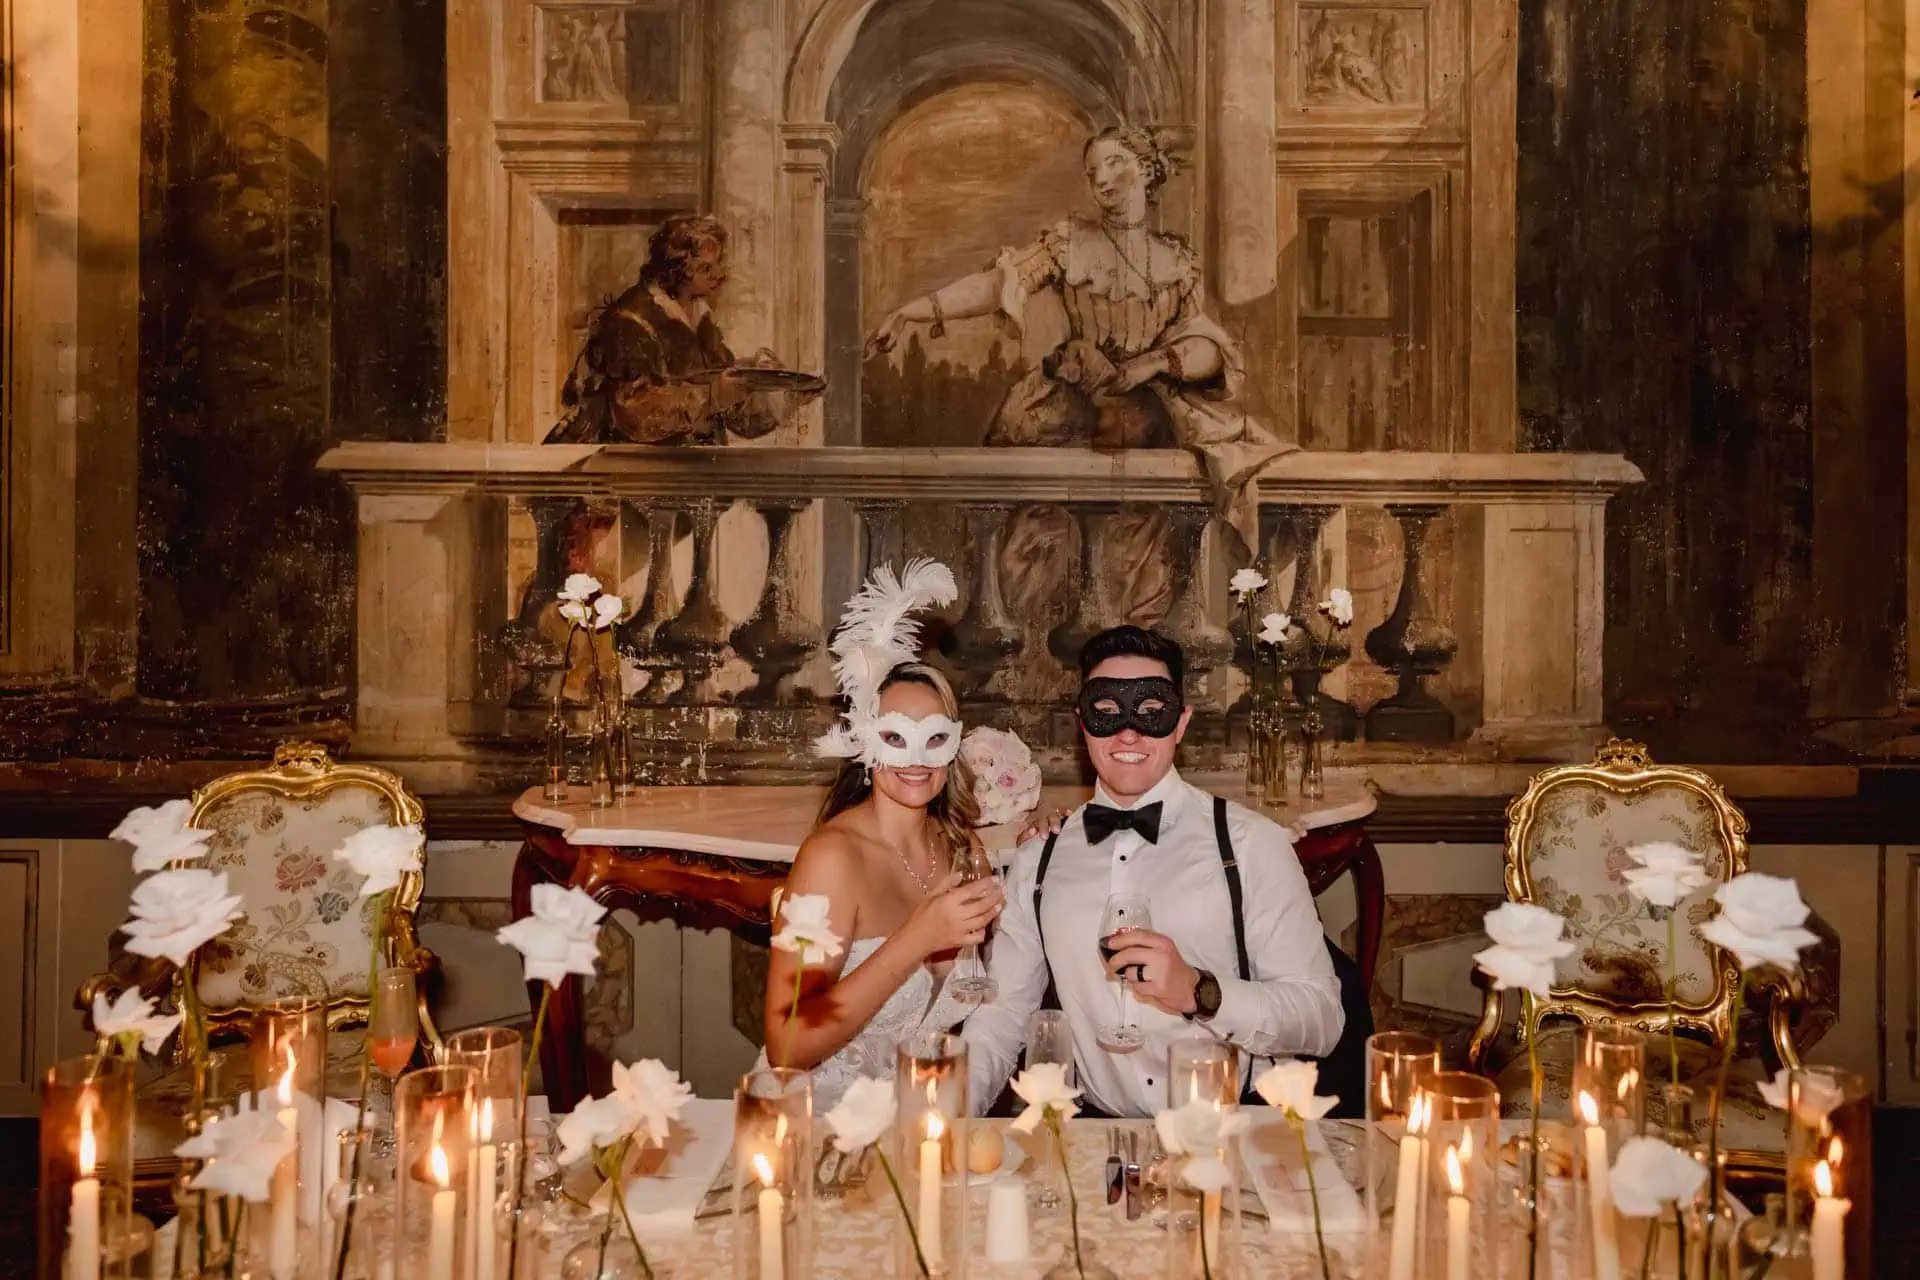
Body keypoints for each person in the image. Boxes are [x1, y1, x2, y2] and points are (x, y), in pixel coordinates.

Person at [963, 625, 1350, 1118]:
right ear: (1083, 723)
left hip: (1228, 1132)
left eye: (1151, 712)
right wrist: (949, 1117)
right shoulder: (1040, 857)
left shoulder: (1252, 845)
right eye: (1107, 712)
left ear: (1181, 722)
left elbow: (1321, 1019)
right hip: (1096, 1137)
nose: (1129, 732)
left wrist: (1200, 992)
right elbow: (1001, 1016)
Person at [865, 126, 1292, 559]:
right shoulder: (1070, 242)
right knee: (1038, 549)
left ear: (1146, 170)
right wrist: (912, 311)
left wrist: (1157, 363)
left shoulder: (1177, 261)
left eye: (1114, 164)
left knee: (1139, 554)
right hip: (1067, 406)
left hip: (1146, 418)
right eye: (1092, 173)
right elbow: (994, 286)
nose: (1102, 180)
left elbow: (1204, 344)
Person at [760, 562, 1005, 1111]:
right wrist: (917, 939)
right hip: (824, 1124)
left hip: (920, 1121)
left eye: (934, 737)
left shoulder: (963, 849)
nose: (916, 758)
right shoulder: (831, 860)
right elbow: (786, 1045)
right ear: (864, 745)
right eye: (895, 736)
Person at [546, 213, 811, 445]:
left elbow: (735, 419)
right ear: (676, 270)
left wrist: (780, 395)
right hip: (634, 477)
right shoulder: (631, 320)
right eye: (706, 268)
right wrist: (714, 394)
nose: (720, 274)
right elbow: (636, 415)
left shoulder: (701, 321)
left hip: (694, 476)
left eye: (719, 263)